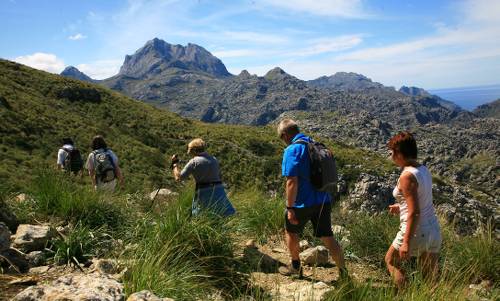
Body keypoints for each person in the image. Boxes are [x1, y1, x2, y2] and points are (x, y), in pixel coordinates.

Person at [277, 119, 347, 279]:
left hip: (302, 203)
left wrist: (290, 208)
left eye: (281, 138)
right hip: (323, 199)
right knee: (328, 238)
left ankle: (295, 267)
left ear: (285, 135)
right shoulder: (317, 146)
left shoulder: (292, 150)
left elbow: (291, 182)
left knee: (291, 232)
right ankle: (344, 274)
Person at [385, 132, 441, 288]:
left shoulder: (406, 176)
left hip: (417, 230)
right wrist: (400, 206)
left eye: (392, 152)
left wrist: (406, 243)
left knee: (391, 261)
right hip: (433, 230)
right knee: (430, 279)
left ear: (399, 153)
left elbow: (415, 211)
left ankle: (405, 295)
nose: (391, 156)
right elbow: (421, 198)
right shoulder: (423, 169)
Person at [171, 138, 235, 217]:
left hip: (204, 192)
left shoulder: (193, 162)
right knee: (223, 214)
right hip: (219, 191)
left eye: (189, 150)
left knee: (203, 216)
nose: (189, 153)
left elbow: (178, 178)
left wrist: (174, 164)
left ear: (194, 150)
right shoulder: (214, 159)